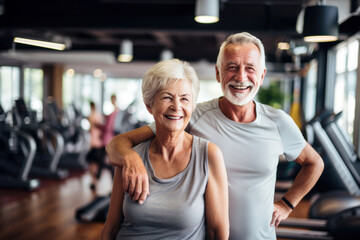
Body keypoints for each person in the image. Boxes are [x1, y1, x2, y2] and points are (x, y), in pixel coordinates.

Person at [106, 32, 324, 239]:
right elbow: (119, 142)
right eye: (232, 67)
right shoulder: (190, 114)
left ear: (262, 75)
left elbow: (314, 163)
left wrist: (287, 204)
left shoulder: (279, 122)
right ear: (218, 73)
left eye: (250, 68)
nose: (241, 77)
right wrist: (132, 159)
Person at [101, 59, 229, 240]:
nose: (177, 107)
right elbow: (111, 226)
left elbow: (218, 233)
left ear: (192, 105)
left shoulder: (208, 155)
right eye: (167, 97)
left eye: (184, 99)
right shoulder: (130, 157)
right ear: (149, 105)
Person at [85, 101, 106, 191]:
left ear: (91, 106)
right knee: (97, 164)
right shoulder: (99, 115)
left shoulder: (92, 115)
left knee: (93, 163)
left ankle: (94, 182)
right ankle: (95, 182)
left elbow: (90, 129)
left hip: (95, 144)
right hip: (100, 144)